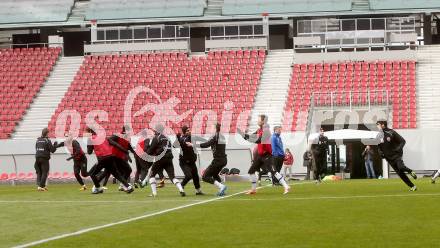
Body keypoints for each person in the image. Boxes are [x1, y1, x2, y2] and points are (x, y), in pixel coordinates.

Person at [237, 114, 290, 195]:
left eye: (259, 120)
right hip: (260, 156)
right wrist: (242, 134)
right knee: (251, 171)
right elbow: (251, 137)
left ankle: (286, 186)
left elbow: (258, 140)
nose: (257, 121)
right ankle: (254, 189)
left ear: (263, 121)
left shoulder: (266, 131)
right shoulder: (259, 130)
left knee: (274, 172)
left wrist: (249, 138)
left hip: (267, 156)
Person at [86, 127, 134, 194]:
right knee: (116, 174)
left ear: (89, 132)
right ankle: (128, 187)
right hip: (110, 157)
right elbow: (115, 144)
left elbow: (89, 152)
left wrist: (88, 145)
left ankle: (97, 188)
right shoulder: (104, 137)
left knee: (92, 174)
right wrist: (125, 151)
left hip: (102, 158)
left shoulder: (90, 139)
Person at [187, 123, 227, 196]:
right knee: (214, 174)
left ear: (215, 129)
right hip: (223, 160)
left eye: (211, 127)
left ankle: (222, 187)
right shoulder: (221, 136)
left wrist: (193, 144)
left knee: (205, 177)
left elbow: (207, 144)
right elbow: (210, 143)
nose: (210, 129)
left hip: (218, 160)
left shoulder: (216, 136)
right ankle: (222, 188)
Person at [376, 120, 417, 191]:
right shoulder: (378, 135)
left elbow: (403, 141)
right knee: (400, 174)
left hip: (396, 155)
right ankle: (413, 186)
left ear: (383, 125)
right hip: (389, 158)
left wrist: (398, 149)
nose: (377, 126)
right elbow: (379, 146)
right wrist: (380, 152)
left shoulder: (391, 132)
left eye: (378, 124)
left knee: (401, 167)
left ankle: (410, 171)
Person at [146, 124, 185, 197]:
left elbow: (151, 149)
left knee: (151, 175)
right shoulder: (167, 138)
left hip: (160, 158)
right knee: (172, 177)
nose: (154, 131)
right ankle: (181, 190)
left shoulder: (156, 138)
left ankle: (154, 193)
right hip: (169, 158)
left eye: (154, 130)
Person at [174, 125, 204, 195]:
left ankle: (198, 190)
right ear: (184, 132)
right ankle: (181, 187)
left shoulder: (190, 137)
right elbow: (175, 145)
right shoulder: (182, 139)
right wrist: (178, 139)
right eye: (187, 130)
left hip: (191, 161)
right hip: (184, 162)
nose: (189, 131)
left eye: (189, 130)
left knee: (195, 176)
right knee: (188, 175)